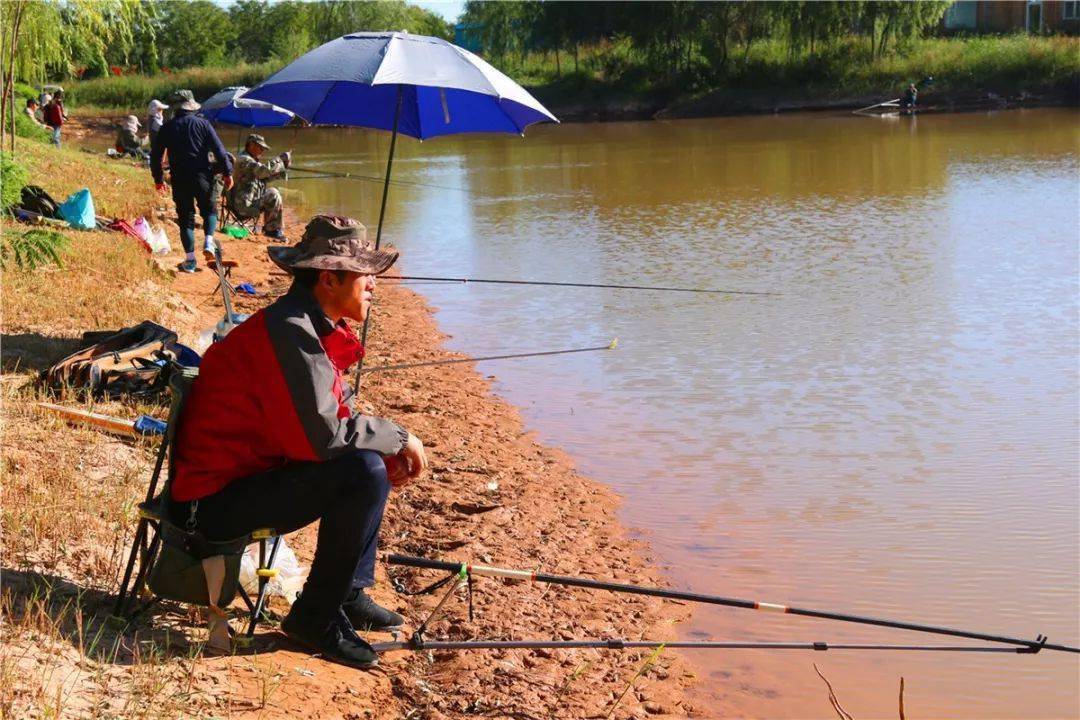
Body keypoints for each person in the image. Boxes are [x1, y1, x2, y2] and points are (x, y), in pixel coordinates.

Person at [168, 214, 428, 669]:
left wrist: (386, 444)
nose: (373, 285)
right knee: (362, 468)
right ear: (329, 278)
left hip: (249, 479)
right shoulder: (290, 331)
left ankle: (347, 594)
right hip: (209, 506)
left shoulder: (306, 326)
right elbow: (323, 441)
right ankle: (315, 617)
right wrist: (399, 436)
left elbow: (337, 414)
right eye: (366, 274)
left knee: (369, 460)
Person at [150, 89, 234, 273]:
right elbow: (219, 150)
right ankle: (209, 241)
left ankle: (190, 261)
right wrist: (228, 172)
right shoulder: (203, 124)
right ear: (191, 106)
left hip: (179, 178)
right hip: (203, 176)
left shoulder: (167, 127)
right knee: (209, 209)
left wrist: (158, 179)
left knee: (185, 218)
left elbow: (155, 156)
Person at [229, 133, 290, 241]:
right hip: (243, 206)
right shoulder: (244, 159)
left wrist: (282, 170)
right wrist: (280, 159)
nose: (263, 150)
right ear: (251, 145)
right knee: (273, 194)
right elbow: (263, 172)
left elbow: (263, 178)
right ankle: (272, 230)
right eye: (261, 147)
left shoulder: (250, 159)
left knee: (272, 192)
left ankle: (272, 228)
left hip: (247, 202)